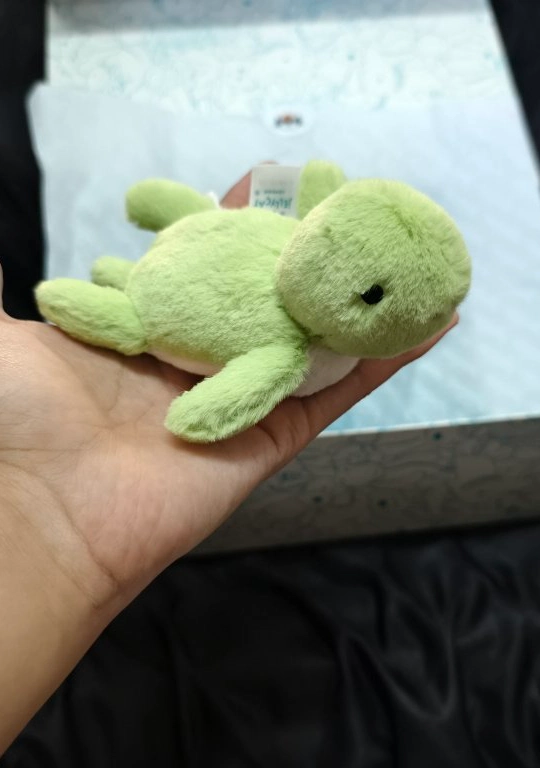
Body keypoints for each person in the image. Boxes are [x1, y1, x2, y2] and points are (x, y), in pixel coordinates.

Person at [0, 171, 456, 754]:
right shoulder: (291, 355)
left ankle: (126, 277)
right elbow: (209, 409)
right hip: (166, 294)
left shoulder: (305, 336)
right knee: (134, 323)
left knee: (177, 232)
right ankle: (123, 302)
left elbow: (312, 184)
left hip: (202, 238)